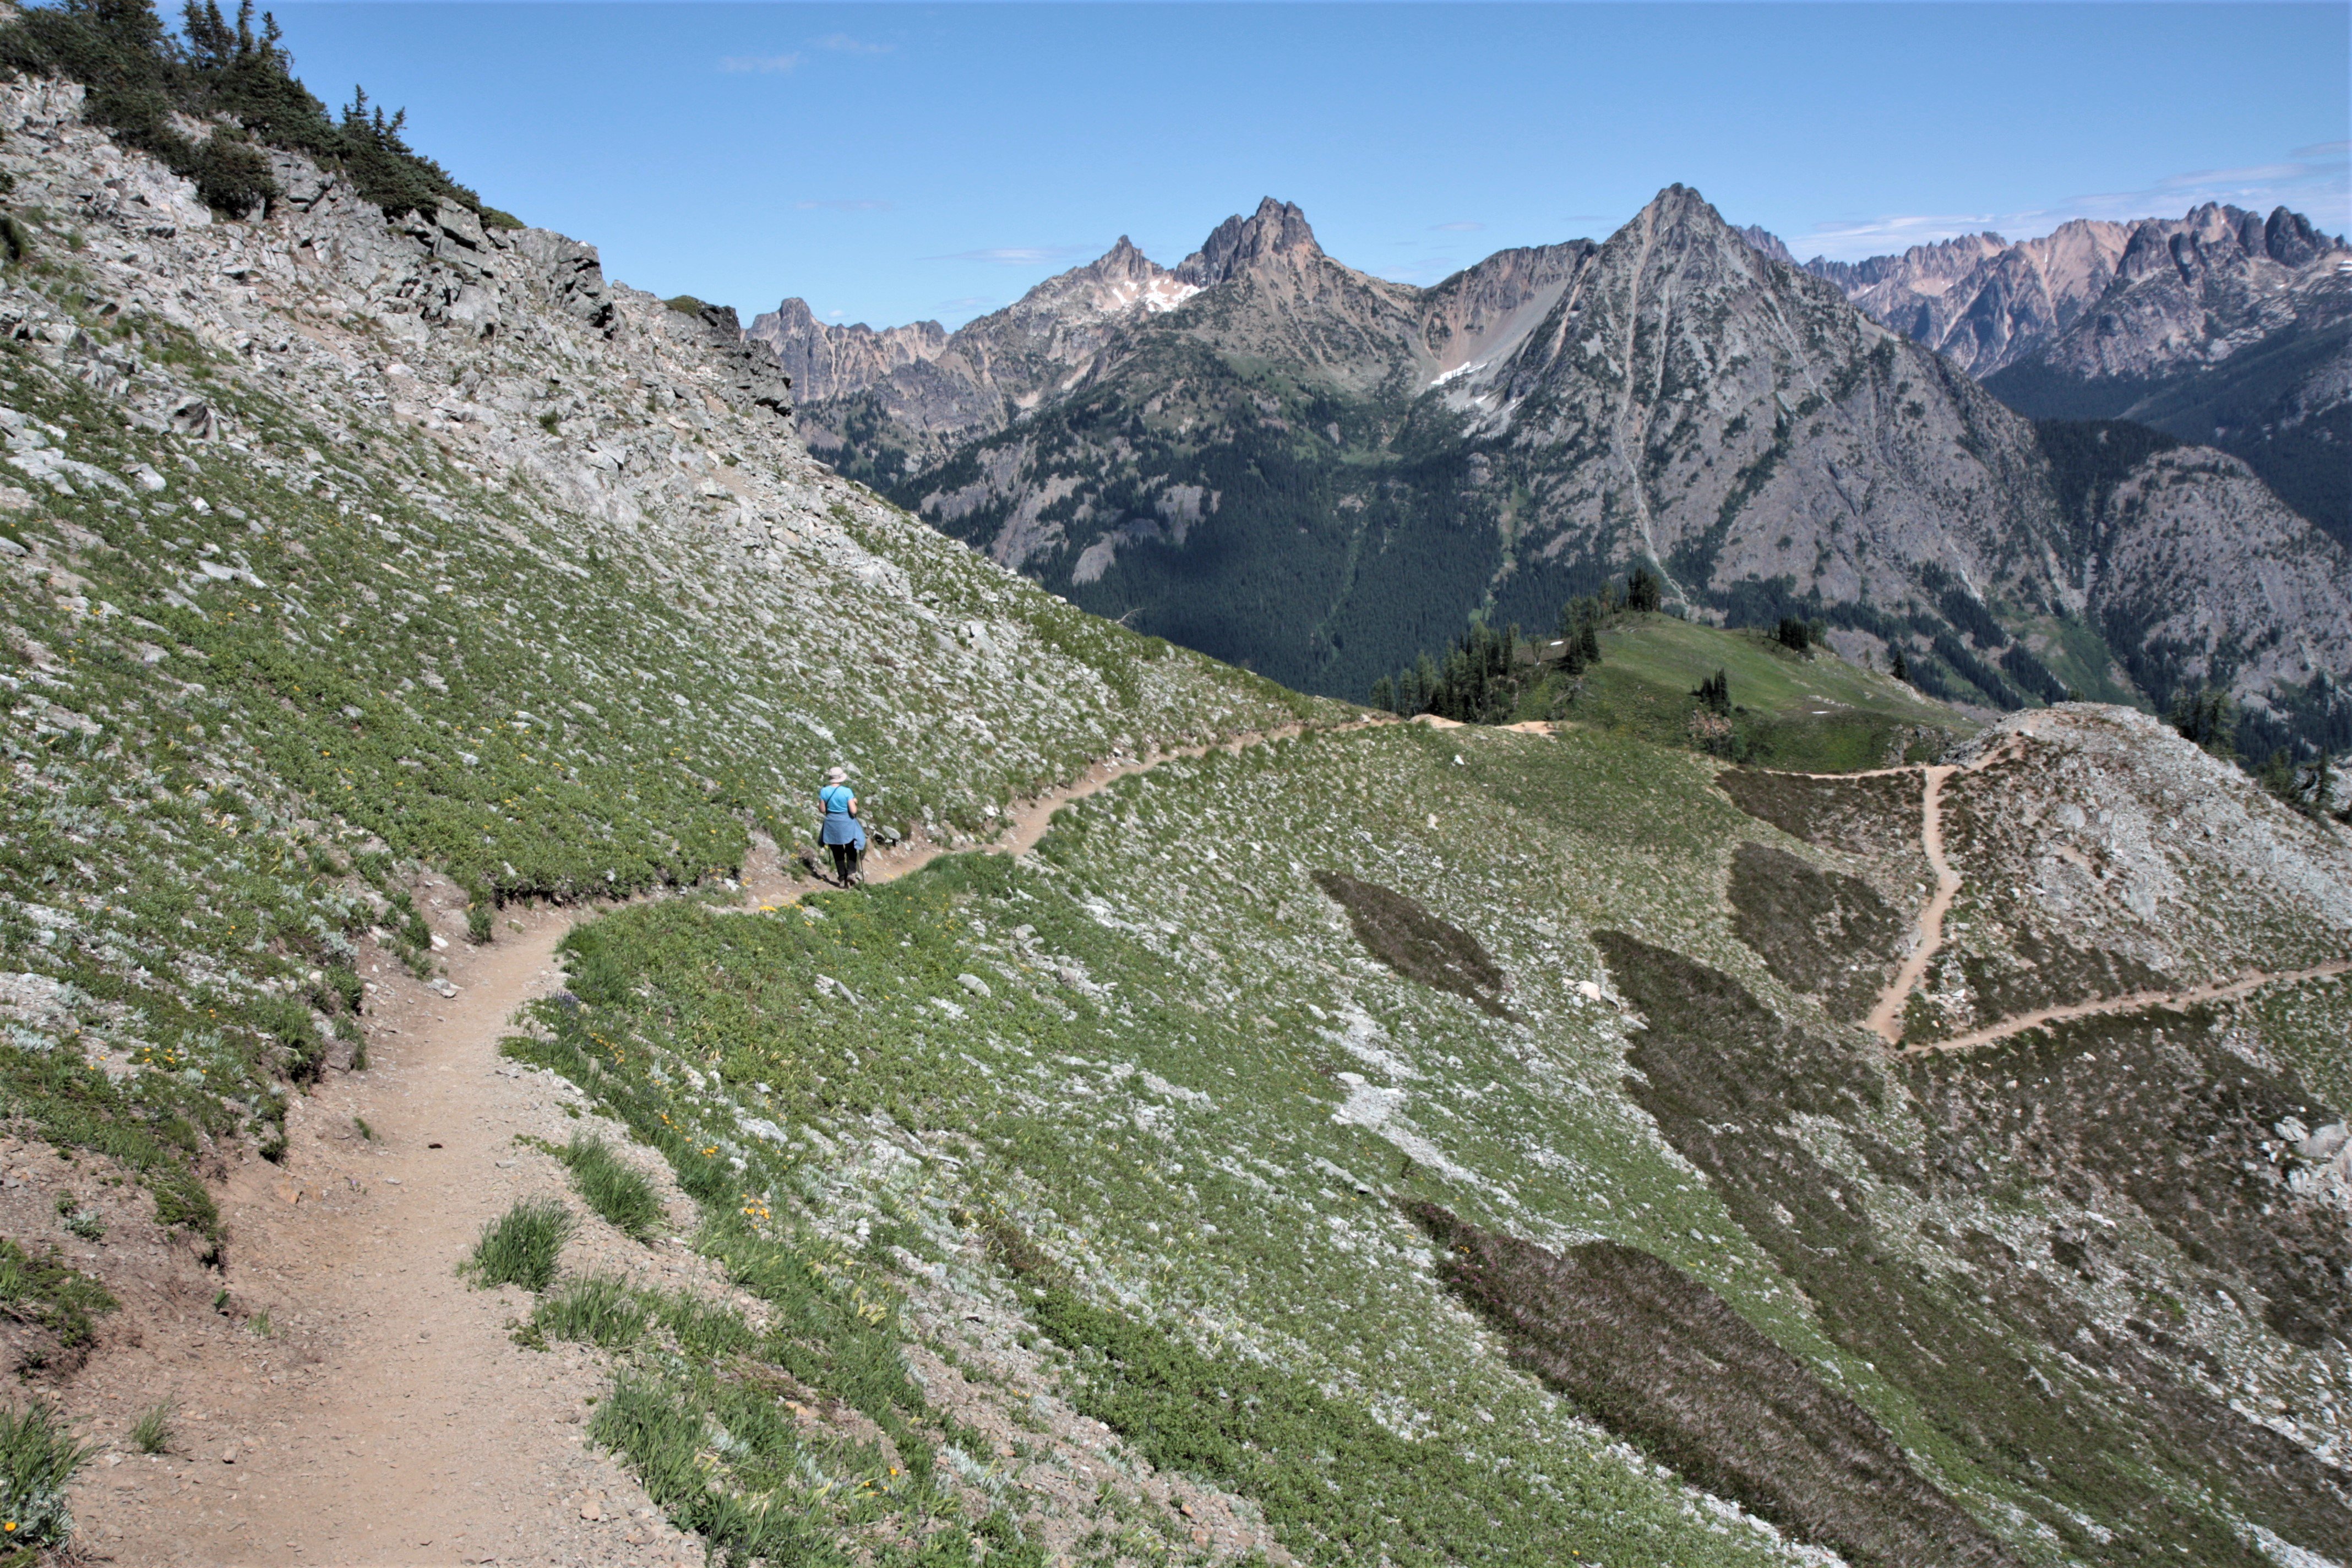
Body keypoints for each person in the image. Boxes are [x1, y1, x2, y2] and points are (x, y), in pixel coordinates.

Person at [817, 766, 866, 885]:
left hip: (831, 823)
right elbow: (853, 811)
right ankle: (851, 872)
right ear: (841, 778)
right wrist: (855, 802)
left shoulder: (824, 791)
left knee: (837, 851)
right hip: (846, 823)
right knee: (851, 848)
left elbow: (822, 810)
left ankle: (842, 877)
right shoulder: (847, 791)